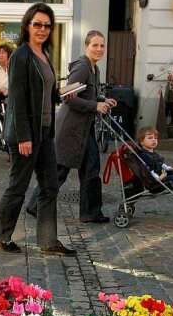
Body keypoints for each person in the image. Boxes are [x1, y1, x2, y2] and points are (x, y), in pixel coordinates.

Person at [0, 2, 76, 256]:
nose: (42, 29)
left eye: (47, 25)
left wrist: (61, 95)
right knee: (18, 186)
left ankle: (48, 241)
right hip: (26, 135)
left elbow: (43, 92)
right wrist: (24, 136)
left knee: (50, 186)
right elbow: (17, 99)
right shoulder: (21, 55)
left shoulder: (44, 54)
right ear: (27, 25)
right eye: (37, 24)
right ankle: (0, 234)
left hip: (45, 132)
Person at [25, 30, 117, 223]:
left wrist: (102, 100)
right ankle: (35, 206)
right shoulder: (82, 67)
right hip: (70, 130)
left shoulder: (95, 68)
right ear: (87, 46)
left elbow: (86, 94)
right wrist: (95, 106)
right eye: (95, 45)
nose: (99, 49)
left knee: (91, 169)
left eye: (102, 45)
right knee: (58, 172)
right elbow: (67, 97)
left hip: (85, 130)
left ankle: (90, 213)